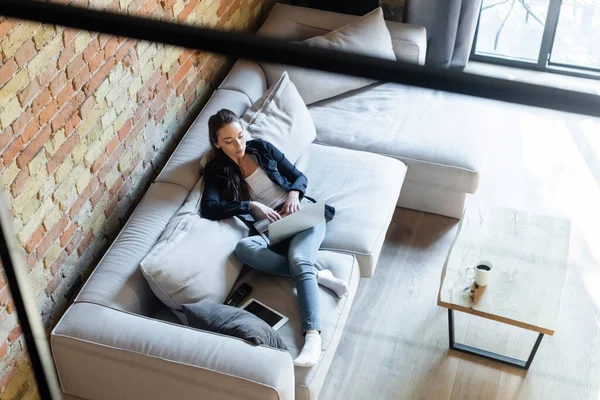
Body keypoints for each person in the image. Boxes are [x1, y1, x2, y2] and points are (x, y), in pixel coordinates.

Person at [200, 109, 348, 367]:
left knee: (299, 258)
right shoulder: (217, 170)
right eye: (229, 141)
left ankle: (312, 337)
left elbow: (299, 177)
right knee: (244, 247)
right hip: (270, 232)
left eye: (240, 136)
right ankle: (316, 276)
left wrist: (294, 195)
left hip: (302, 217)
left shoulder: (262, 149)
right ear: (216, 143)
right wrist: (250, 206)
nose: (239, 145)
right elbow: (209, 208)